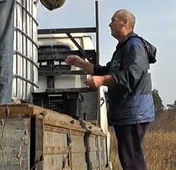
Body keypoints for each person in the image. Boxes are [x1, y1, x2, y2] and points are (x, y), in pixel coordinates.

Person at [65, 9, 157, 170]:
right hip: (128, 113)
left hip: (134, 113)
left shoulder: (134, 46)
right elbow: (107, 71)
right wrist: (81, 63)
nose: (109, 24)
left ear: (125, 22)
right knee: (129, 159)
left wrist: (102, 81)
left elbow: (131, 77)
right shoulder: (123, 48)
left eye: (113, 20)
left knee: (133, 161)